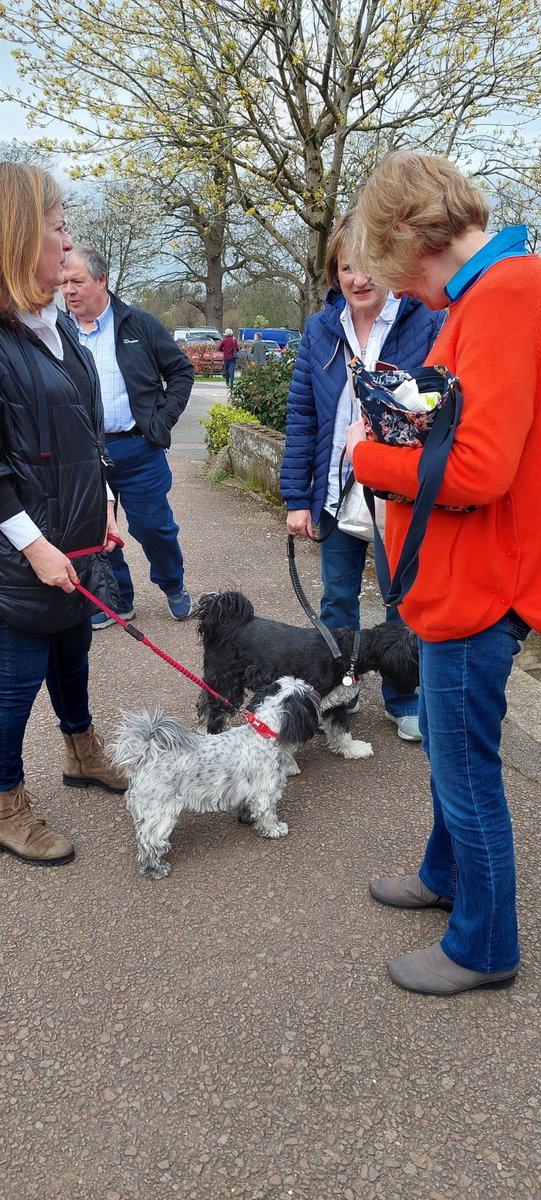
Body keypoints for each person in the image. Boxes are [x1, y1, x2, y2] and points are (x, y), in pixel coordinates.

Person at [346, 150, 541, 996]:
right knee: (451, 763)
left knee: (466, 778)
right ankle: (443, 877)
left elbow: (477, 471)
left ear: (401, 232)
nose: (387, 284)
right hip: (467, 579)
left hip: (479, 586)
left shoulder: (504, 294)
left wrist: (370, 456)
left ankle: (483, 948)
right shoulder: (499, 289)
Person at [0, 162, 128, 867]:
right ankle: (6, 800)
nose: (68, 243)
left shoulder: (58, 327)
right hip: (24, 552)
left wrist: (107, 501)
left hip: (78, 538)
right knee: (13, 684)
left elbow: (88, 429)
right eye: (57, 228)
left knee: (73, 659)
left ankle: (82, 753)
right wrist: (33, 545)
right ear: (20, 236)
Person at [280, 210, 445, 737]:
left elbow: (438, 407)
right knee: (337, 600)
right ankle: (335, 701)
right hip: (333, 491)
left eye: (370, 264)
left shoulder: (425, 321)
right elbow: (302, 414)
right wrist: (295, 498)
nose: (359, 279)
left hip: (397, 493)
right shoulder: (320, 327)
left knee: (403, 602)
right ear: (335, 272)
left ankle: (402, 698)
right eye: (348, 267)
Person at [61, 245, 195, 629]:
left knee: (153, 526)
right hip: (84, 453)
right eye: (64, 282)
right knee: (97, 530)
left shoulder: (140, 324)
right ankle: (117, 599)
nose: (68, 290)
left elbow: (181, 372)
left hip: (137, 448)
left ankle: (173, 585)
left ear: (102, 281)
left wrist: (162, 420)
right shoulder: (58, 330)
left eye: (77, 281)